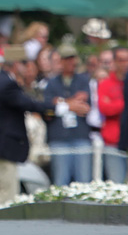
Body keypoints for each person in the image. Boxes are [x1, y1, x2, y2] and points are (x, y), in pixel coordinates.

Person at [0, 45, 56, 210]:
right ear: (16, 64)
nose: (27, 67)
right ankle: (1, 230)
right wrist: (57, 107)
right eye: (24, 63)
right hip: (1, 149)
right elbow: (28, 103)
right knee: (7, 192)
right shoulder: (6, 84)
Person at [42, 45, 94, 186]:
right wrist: (71, 103)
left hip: (80, 136)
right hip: (59, 137)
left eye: (73, 59)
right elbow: (48, 109)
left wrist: (60, 103)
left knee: (84, 181)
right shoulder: (51, 83)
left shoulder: (83, 80)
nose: (72, 62)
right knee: (61, 180)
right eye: (67, 59)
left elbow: (85, 107)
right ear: (61, 61)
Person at [97, 47, 127, 182]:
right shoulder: (106, 84)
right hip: (113, 140)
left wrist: (115, 102)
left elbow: (110, 106)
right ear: (114, 61)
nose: (125, 63)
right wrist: (124, 103)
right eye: (121, 60)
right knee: (116, 184)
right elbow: (105, 108)